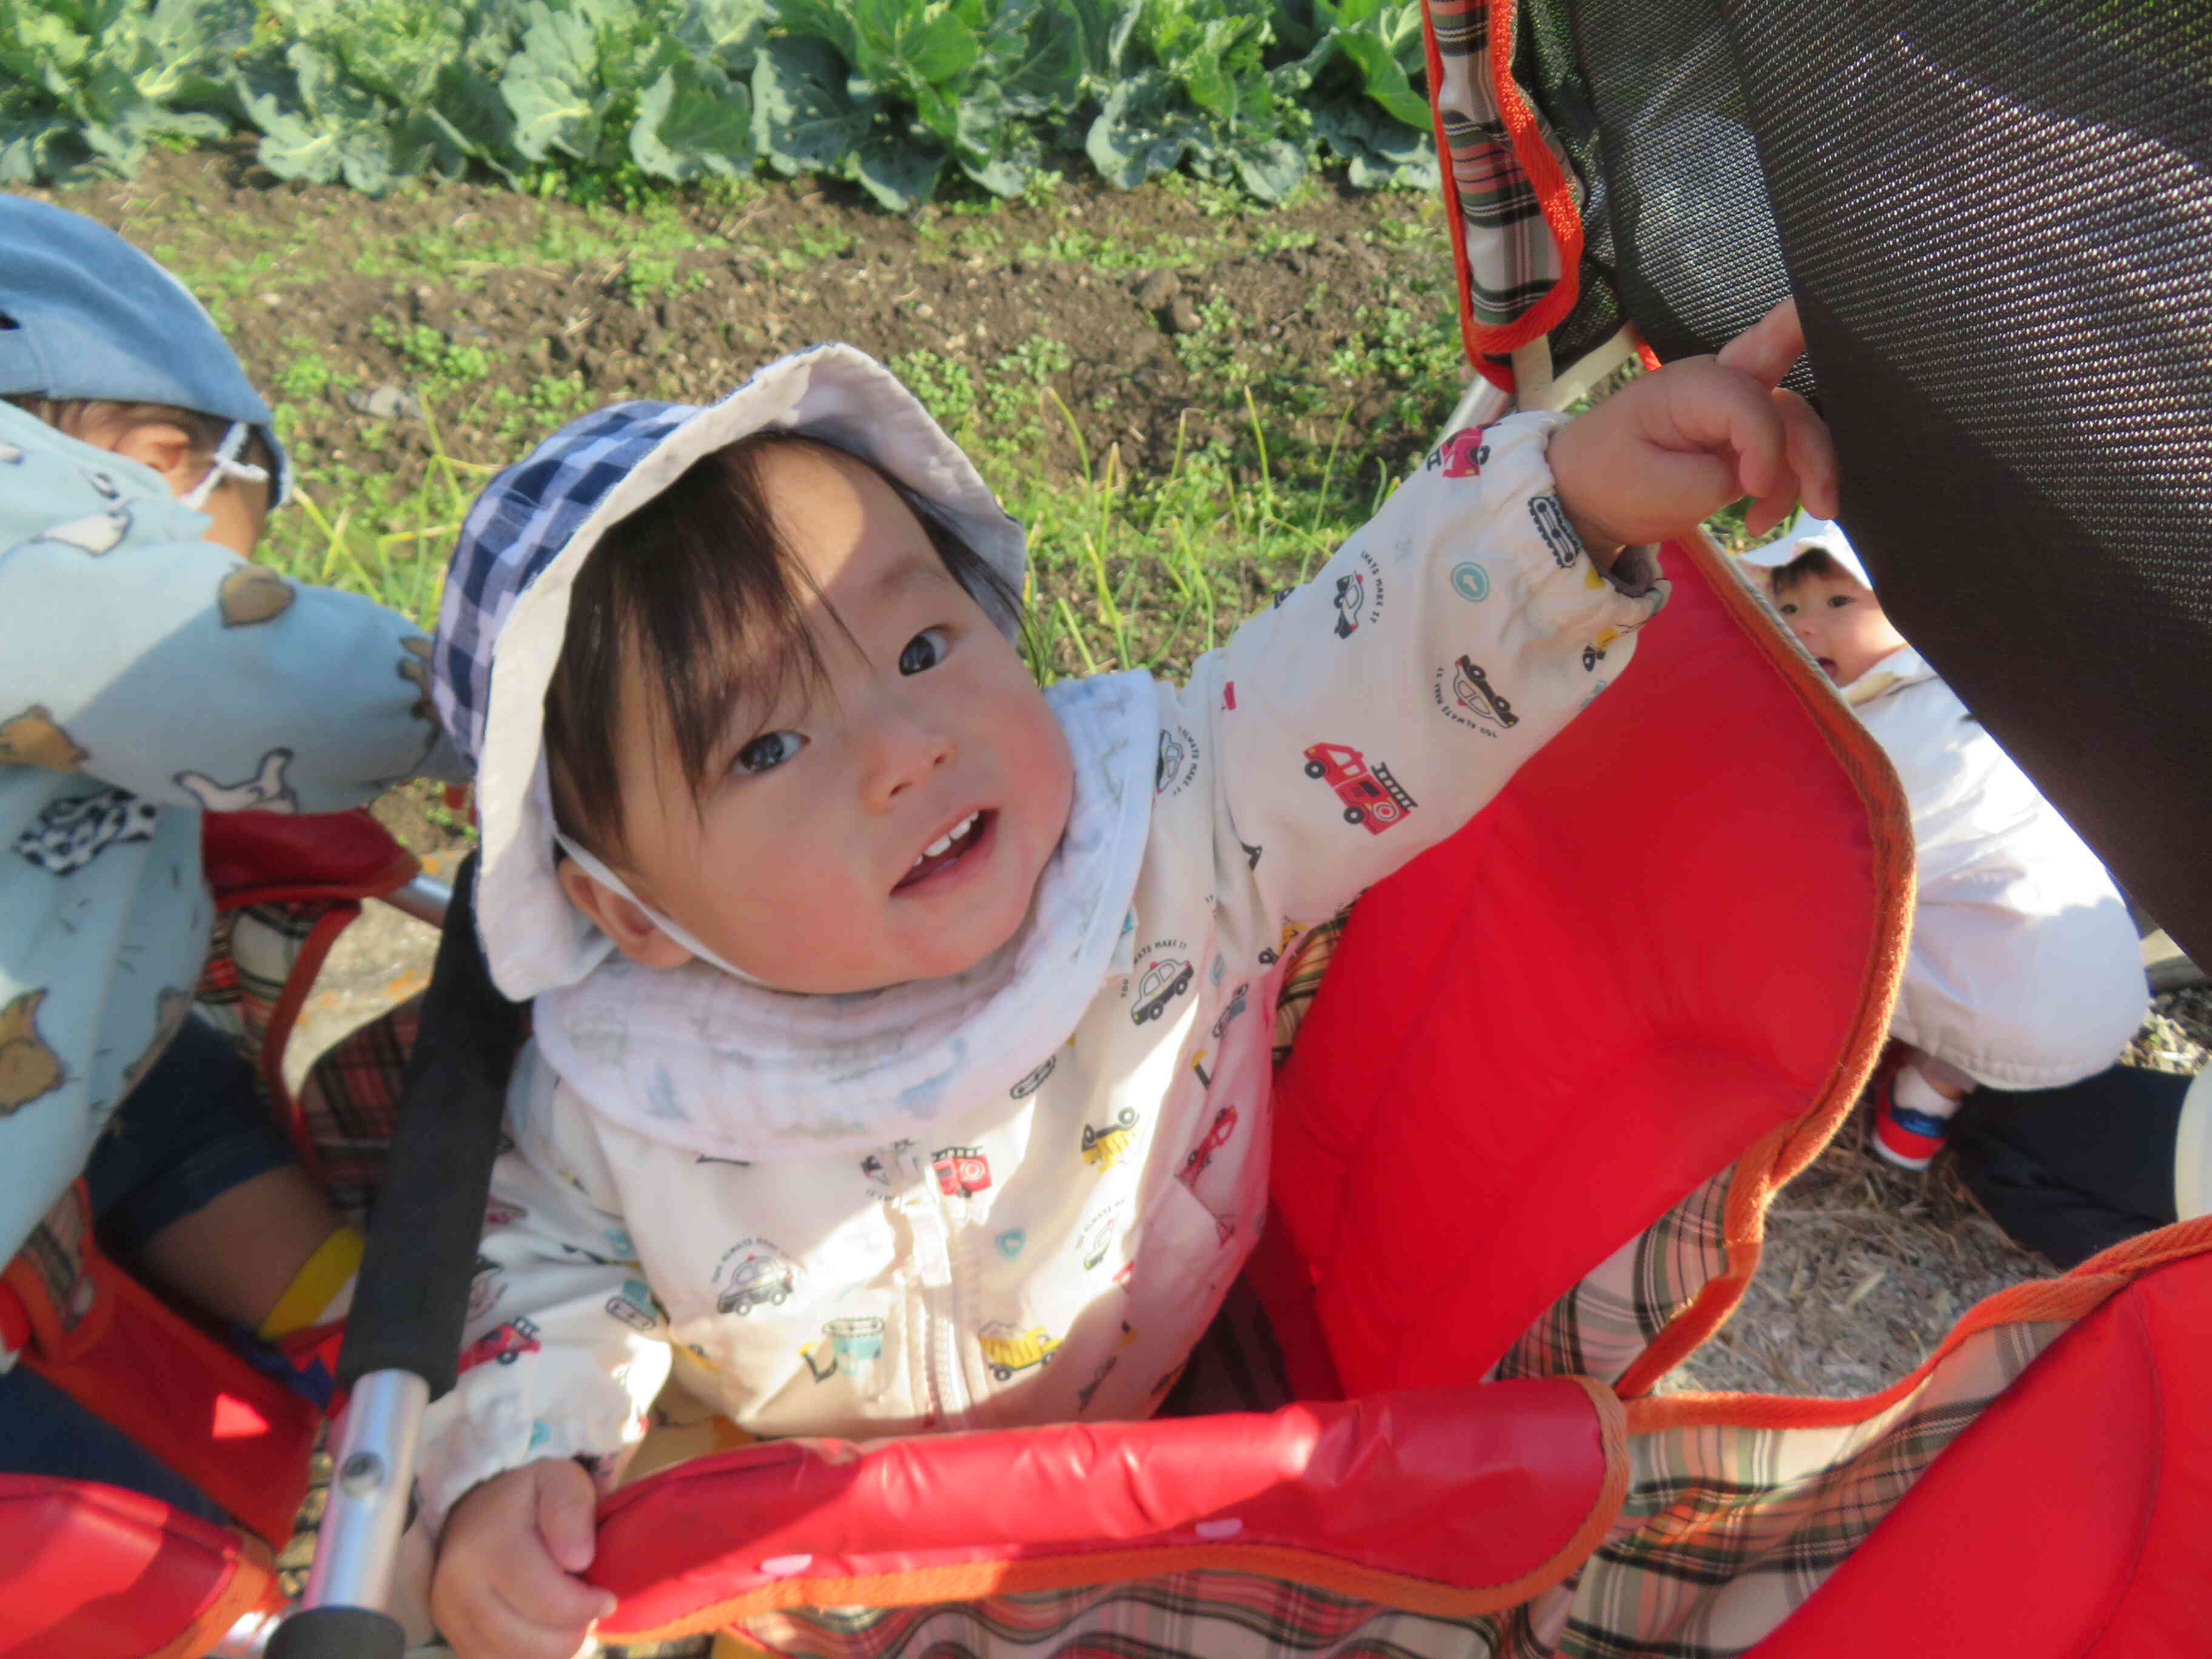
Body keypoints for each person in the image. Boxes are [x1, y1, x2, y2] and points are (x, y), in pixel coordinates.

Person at [418, 321, 1835, 1659]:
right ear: (628, 909)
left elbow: (1353, 669)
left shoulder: (1164, 832)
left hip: (1140, 1423)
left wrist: (1575, 501)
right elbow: (536, 1261)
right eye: (768, 746)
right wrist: (519, 1452)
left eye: (924, 649)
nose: (905, 749)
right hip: (816, 1534)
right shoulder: (630, 1080)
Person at [0, 199, 453, 1518]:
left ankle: (350, 1325)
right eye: (247, 544)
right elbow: (213, 663)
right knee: (104, 1531)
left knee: (171, 1090)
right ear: (161, 461)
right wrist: (487, 704)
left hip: (62, 1050)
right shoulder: (38, 523)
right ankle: (221, 1546)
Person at [1740, 517, 2147, 1168]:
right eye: (1787, 608)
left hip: (2016, 1012)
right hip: (2099, 995)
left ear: (1914, 610)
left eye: (1840, 601)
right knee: (1974, 932)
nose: (1805, 627)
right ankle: (1922, 1112)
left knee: (1817, 931)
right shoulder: (1967, 695)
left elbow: (1819, 852)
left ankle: (1858, 1075)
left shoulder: (1910, 735)